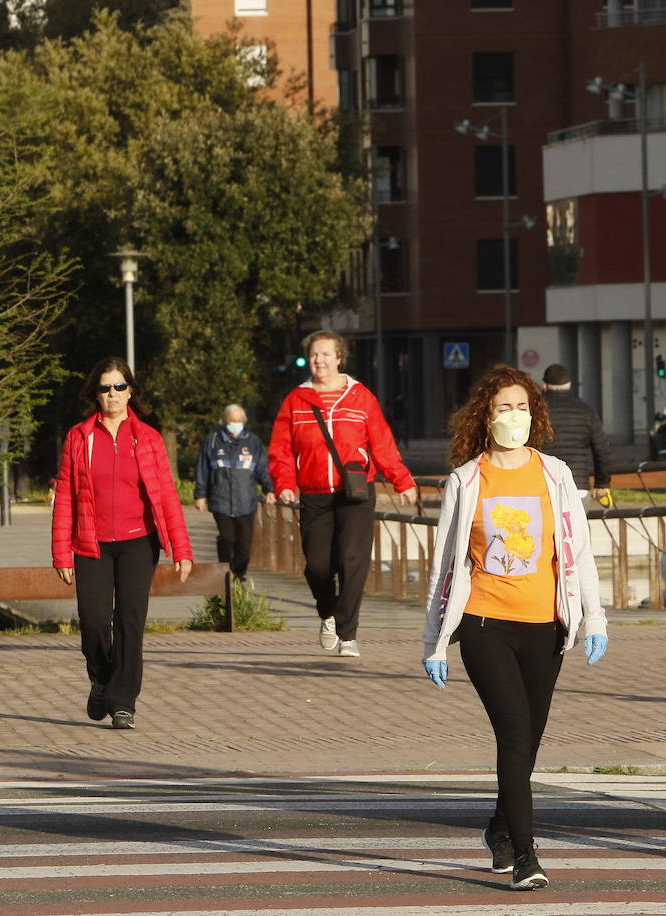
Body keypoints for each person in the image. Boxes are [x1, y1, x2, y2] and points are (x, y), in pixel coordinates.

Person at [421, 365, 610, 892]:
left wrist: (594, 618)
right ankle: (526, 855)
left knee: (530, 741)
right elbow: (445, 566)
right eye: (505, 408)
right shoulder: (465, 480)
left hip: (545, 626)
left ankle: (499, 826)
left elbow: (579, 554)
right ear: (486, 415)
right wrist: (434, 640)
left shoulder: (555, 474)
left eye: (523, 407)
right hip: (485, 624)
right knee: (513, 733)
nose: (515, 417)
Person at [51, 357, 193, 730]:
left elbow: (166, 496)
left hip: (138, 543)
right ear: (94, 394)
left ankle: (123, 700)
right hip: (91, 543)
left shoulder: (148, 438)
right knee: (95, 621)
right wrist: (60, 551)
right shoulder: (79, 438)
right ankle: (101, 678)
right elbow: (65, 495)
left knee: (130, 622)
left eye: (118, 387)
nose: (112, 394)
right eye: (104, 388)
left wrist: (182, 548)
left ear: (130, 391)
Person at [269, 330, 416, 658]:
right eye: (315, 355)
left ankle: (348, 633)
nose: (319, 361)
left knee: (352, 560)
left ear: (339, 358)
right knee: (317, 567)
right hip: (314, 494)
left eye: (326, 354)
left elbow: (381, 443)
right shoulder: (296, 400)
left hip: (355, 493)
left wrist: (402, 480)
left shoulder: (361, 397)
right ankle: (328, 614)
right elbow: (281, 449)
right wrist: (284, 484)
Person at [194, 404, 276, 583]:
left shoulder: (253, 442)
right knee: (227, 538)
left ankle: (239, 575)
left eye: (239, 421)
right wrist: (200, 495)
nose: (236, 424)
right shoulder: (213, 440)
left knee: (244, 545)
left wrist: (269, 489)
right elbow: (203, 470)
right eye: (232, 420)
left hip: (246, 502)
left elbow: (263, 468)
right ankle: (225, 571)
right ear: (225, 421)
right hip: (220, 501)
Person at [540, 364, 613, 504]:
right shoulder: (586, 411)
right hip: (578, 485)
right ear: (570, 384)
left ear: (545, 385)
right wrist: (602, 483)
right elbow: (602, 450)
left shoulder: (537, 412)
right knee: (577, 526)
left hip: (544, 483)